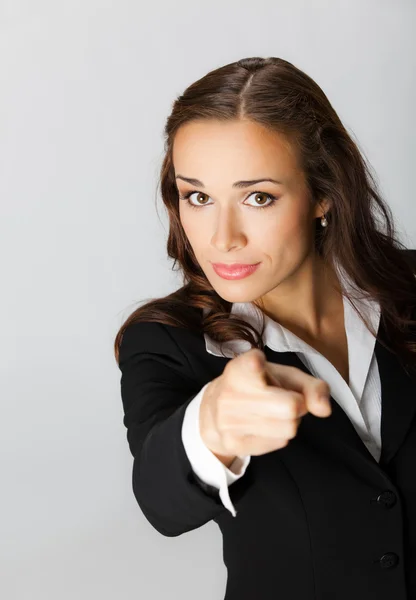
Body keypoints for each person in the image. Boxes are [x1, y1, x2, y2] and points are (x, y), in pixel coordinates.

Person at [114, 56, 416, 600]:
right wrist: (213, 427)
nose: (222, 237)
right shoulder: (166, 341)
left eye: (258, 197)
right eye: (198, 197)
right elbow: (160, 500)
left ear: (323, 192)